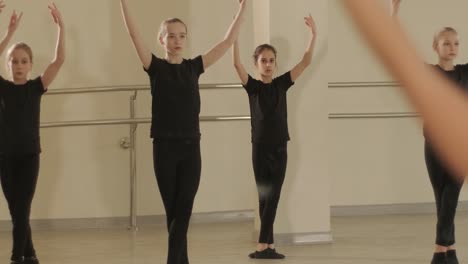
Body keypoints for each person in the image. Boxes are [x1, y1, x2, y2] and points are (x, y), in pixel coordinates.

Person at [120, 1, 246, 263]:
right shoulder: (154, 67)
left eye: (181, 36)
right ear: (161, 40)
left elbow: (226, 42)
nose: (177, 40)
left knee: (183, 211)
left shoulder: (194, 67)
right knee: (173, 214)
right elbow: (133, 34)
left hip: (190, 149)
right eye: (171, 36)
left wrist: (243, 9)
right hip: (163, 149)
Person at [232, 13, 317, 260]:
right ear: (256, 63)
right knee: (264, 197)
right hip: (259, 148)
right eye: (263, 60)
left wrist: (313, 34)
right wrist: (235, 38)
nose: (268, 64)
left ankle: (264, 244)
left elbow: (306, 61)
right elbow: (236, 65)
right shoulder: (253, 88)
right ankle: (266, 246)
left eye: (271, 60)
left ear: (275, 64)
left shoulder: (282, 84)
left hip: (280, 147)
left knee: (274, 194)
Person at [0, 2, 65, 264]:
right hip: (4, 156)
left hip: (29, 156)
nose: (18, 65)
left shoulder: (36, 87)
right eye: (14, 61)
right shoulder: (3, 88)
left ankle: (17, 257)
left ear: (30, 65)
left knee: (22, 209)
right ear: (7, 64)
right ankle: (31, 254)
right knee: (17, 210)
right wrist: (8, 33)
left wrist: (62, 26)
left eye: (23, 61)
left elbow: (58, 60)